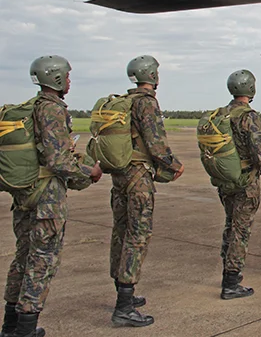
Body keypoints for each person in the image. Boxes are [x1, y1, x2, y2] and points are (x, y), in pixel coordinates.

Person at [2, 56, 102, 337]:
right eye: (67, 76)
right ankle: (26, 328)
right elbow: (59, 161)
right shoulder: (51, 110)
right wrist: (89, 171)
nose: (69, 80)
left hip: (25, 194)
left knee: (22, 257)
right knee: (42, 259)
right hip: (46, 198)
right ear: (56, 79)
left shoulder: (30, 108)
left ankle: (9, 326)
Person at [110, 55, 184, 327]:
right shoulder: (146, 103)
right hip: (139, 178)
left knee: (121, 231)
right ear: (152, 76)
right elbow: (156, 143)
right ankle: (124, 307)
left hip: (120, 177)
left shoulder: (123, 102)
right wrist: (174, 165)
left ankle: (122, 292)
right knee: (137, 236)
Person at [216, 70, 261, 298]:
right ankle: (231, 283)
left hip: (226, 180)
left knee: (230, 224)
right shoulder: (249, 117)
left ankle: (227, 271)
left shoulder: (222, 115)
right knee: (240, 230)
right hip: (246, 182)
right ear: (251, 89)